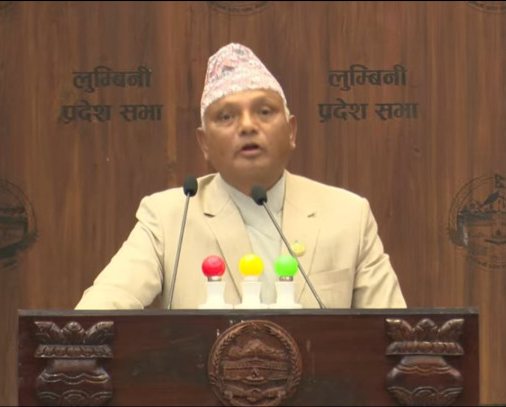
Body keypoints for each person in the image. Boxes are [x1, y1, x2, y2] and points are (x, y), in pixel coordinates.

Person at [75, 43, 406, 310]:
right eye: (226, 116)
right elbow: (97, 314)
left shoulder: (348, 214)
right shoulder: (169, 218)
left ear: (291, 131)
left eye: (264, 111)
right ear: (205, 143)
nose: (247, 126)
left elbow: (396, 336)